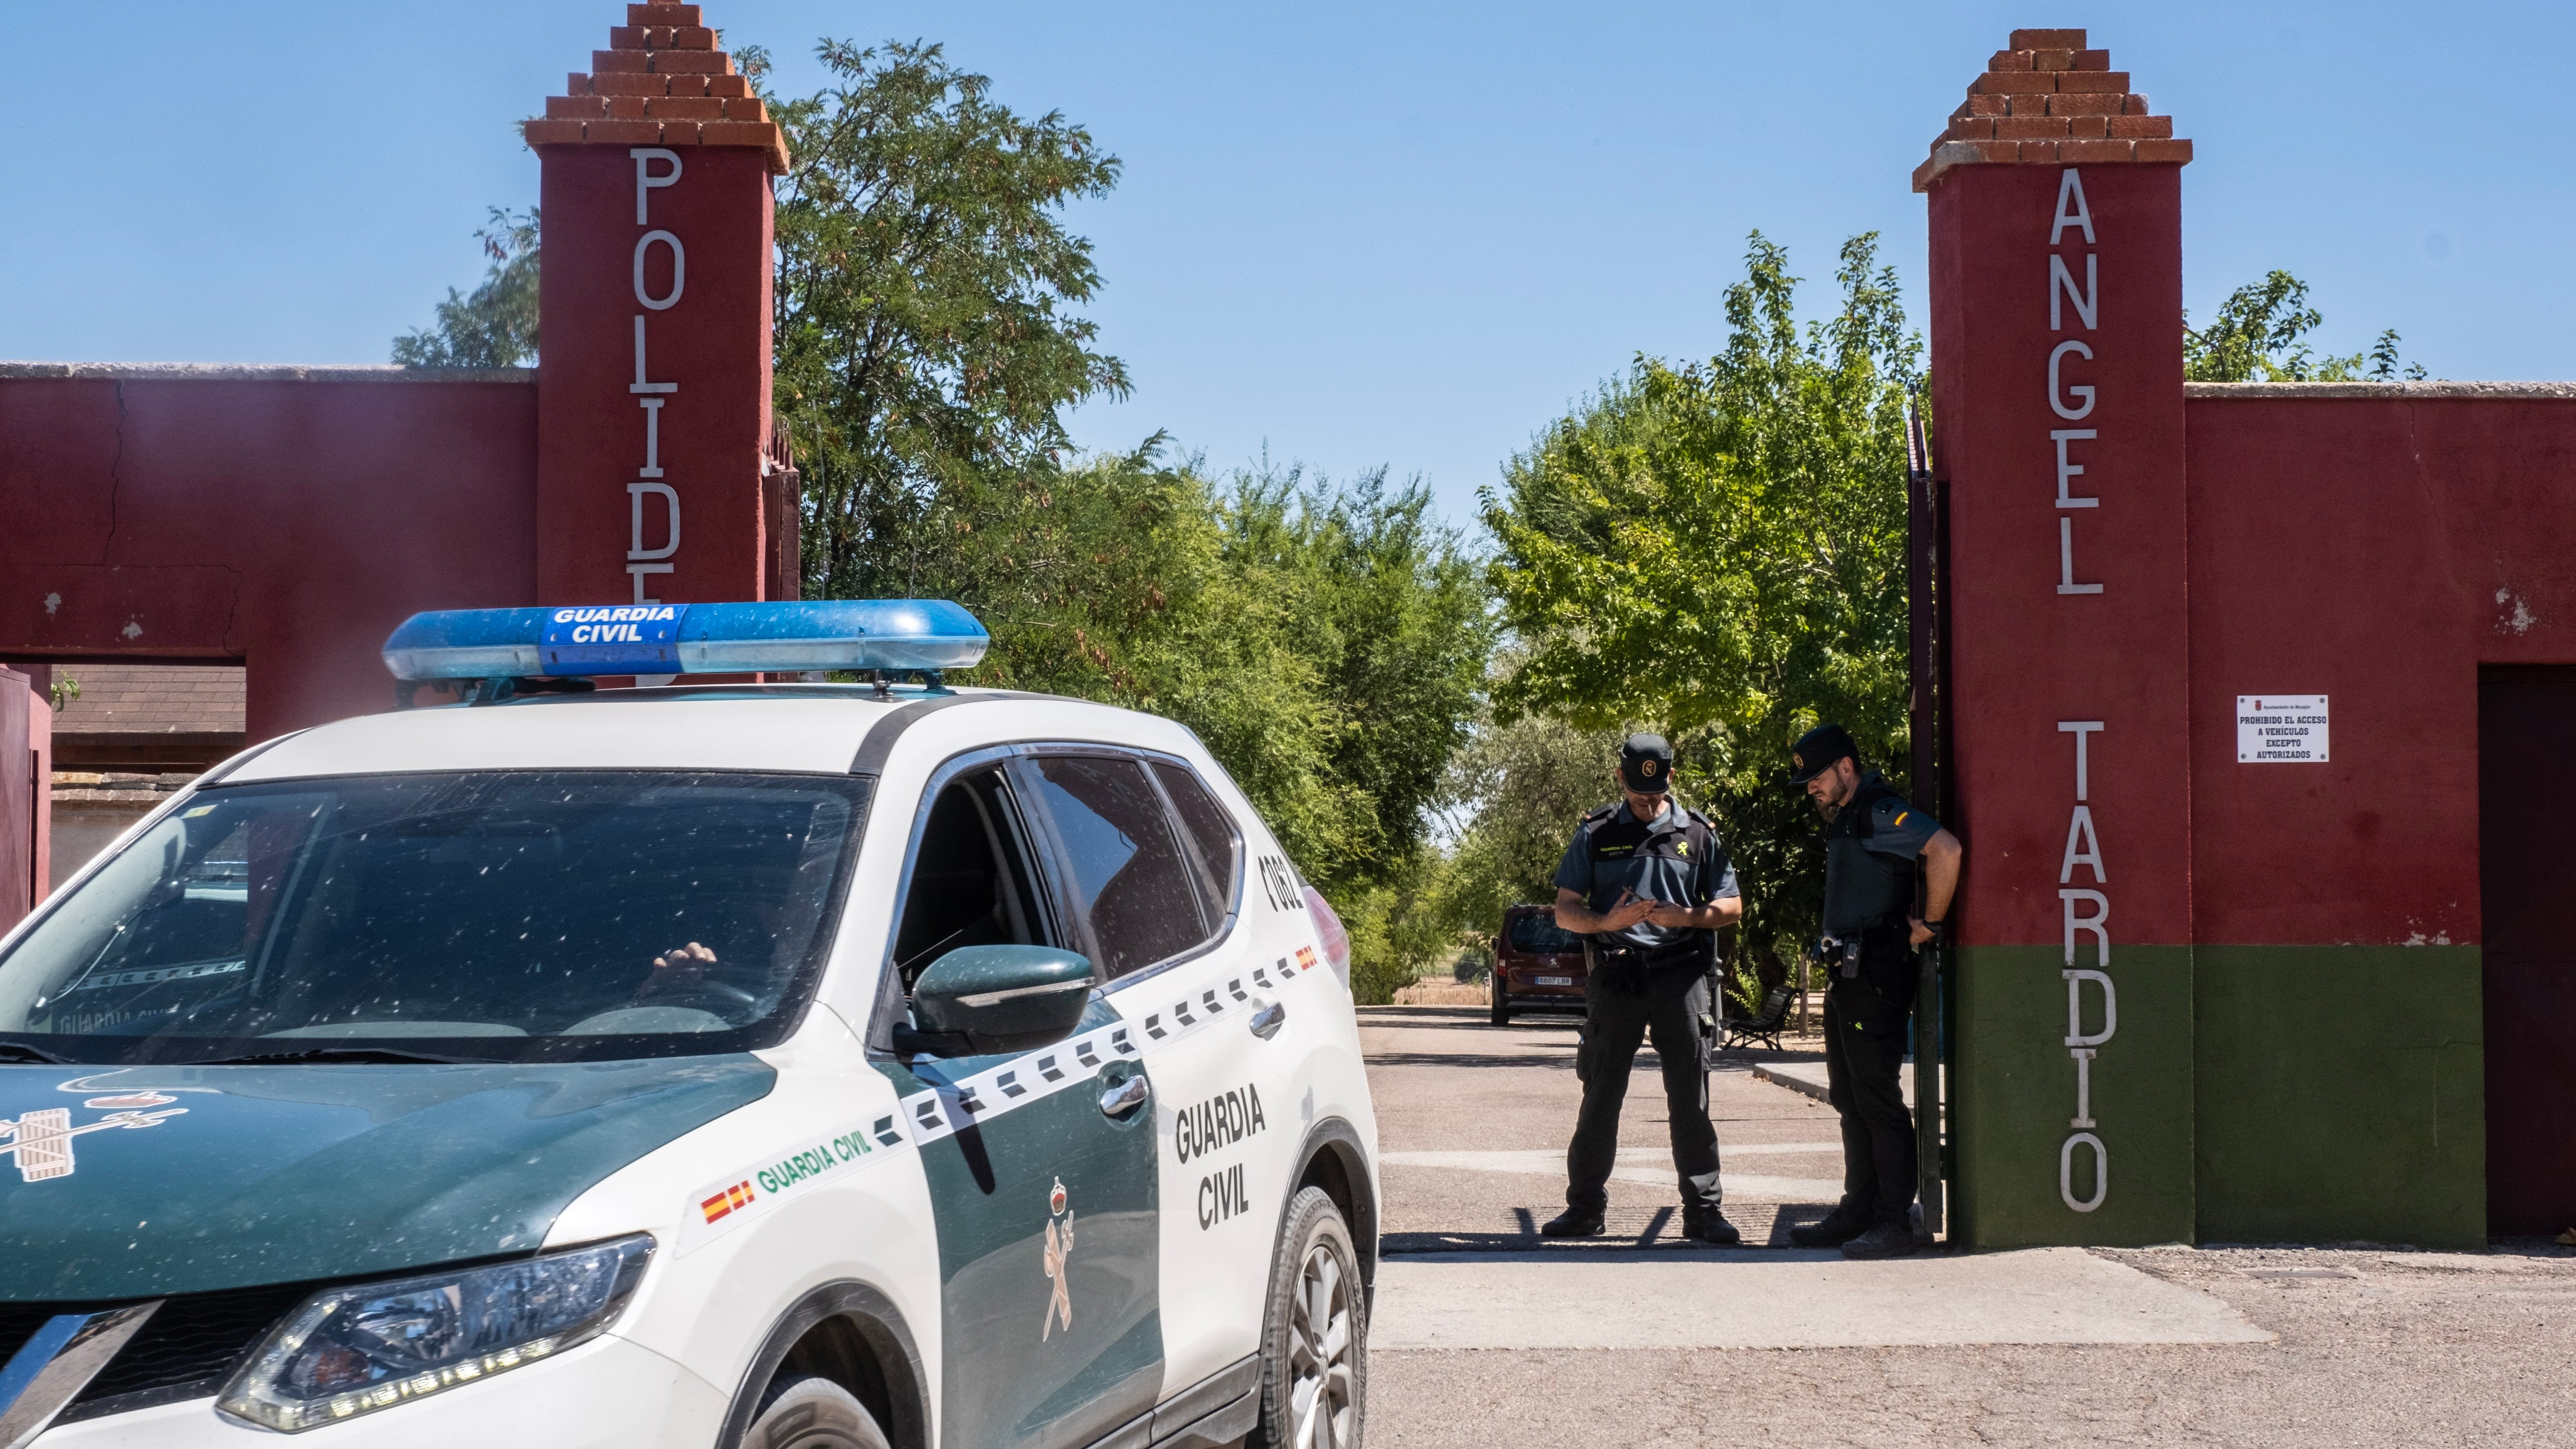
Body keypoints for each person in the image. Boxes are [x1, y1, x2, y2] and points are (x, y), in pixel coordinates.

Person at [1541, 733, 1745, 1244]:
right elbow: (1565, 908)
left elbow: (1732, 904)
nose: (1645, 801)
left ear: (1669, 778)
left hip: (1680, 974)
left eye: (1653, 794)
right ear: (1619, 779)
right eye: (1636, 793)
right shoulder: (1595, 833)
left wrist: (1689, 915)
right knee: (1600, 1096)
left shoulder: (1697, 834)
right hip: (1617, 975)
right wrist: (1606, 919)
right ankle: (1584, 1208)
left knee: (1689, 1099)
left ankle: (1703, 1212)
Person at [1783, 724, 1962, 1260]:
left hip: (1876, 974)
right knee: (1849, 1098)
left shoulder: (1879, 808)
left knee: (1876, 1098)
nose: (1811, 789)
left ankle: (1893, 1219)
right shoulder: (1848, 816)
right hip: (1849, 975)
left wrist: (1930, 922)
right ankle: (1857, 1210)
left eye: (1816, 779)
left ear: (1844, 766)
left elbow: (1945, 850)